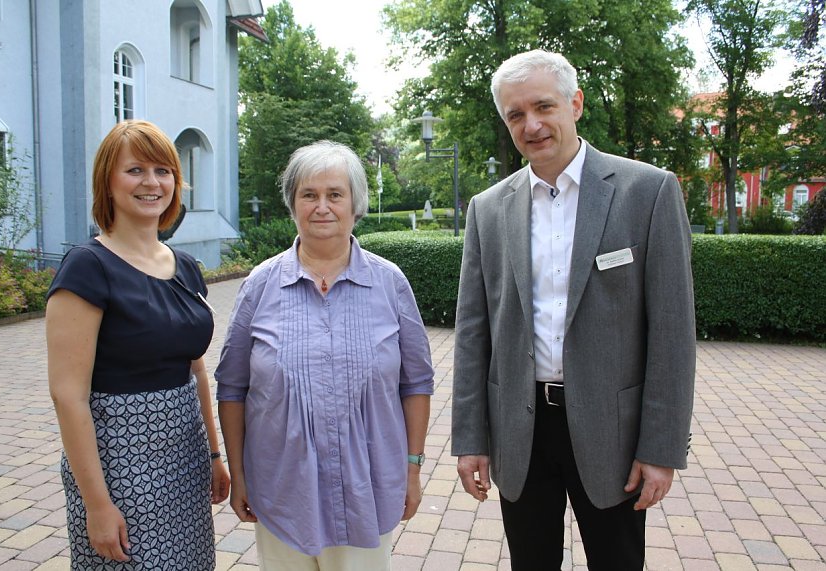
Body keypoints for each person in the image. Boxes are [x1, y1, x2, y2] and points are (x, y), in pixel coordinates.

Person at [452, 49, 696, 570]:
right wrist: (470, 439)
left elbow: (673, 334)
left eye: (543, 106)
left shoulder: (647, 192)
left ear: (575, 103)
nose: (532, 125)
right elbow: (474, 332)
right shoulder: (488, 210)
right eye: (516, 114)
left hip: (614, 432)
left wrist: (662, 448)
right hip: (520, 429)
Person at [216, 140, 434, 571]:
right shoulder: (260, 285)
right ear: (293, 204)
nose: (322, 207)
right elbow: (233, 386)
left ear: (356, 205)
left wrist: (411, 468)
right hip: (280, 487)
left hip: (367, 487)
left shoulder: (389, 283)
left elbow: (417, 383)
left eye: (335, 194)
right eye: (309, 195)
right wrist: (239, 475)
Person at [46, 120, 230, 569]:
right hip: (119, 464)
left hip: (184, 460)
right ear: (107, 182)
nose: (152, 182)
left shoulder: (184, 266)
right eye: (135, 170)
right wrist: (96, 503)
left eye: (163, 170)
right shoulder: (88, 267)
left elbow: (197, 368)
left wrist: (212, 454)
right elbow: (68, 395)